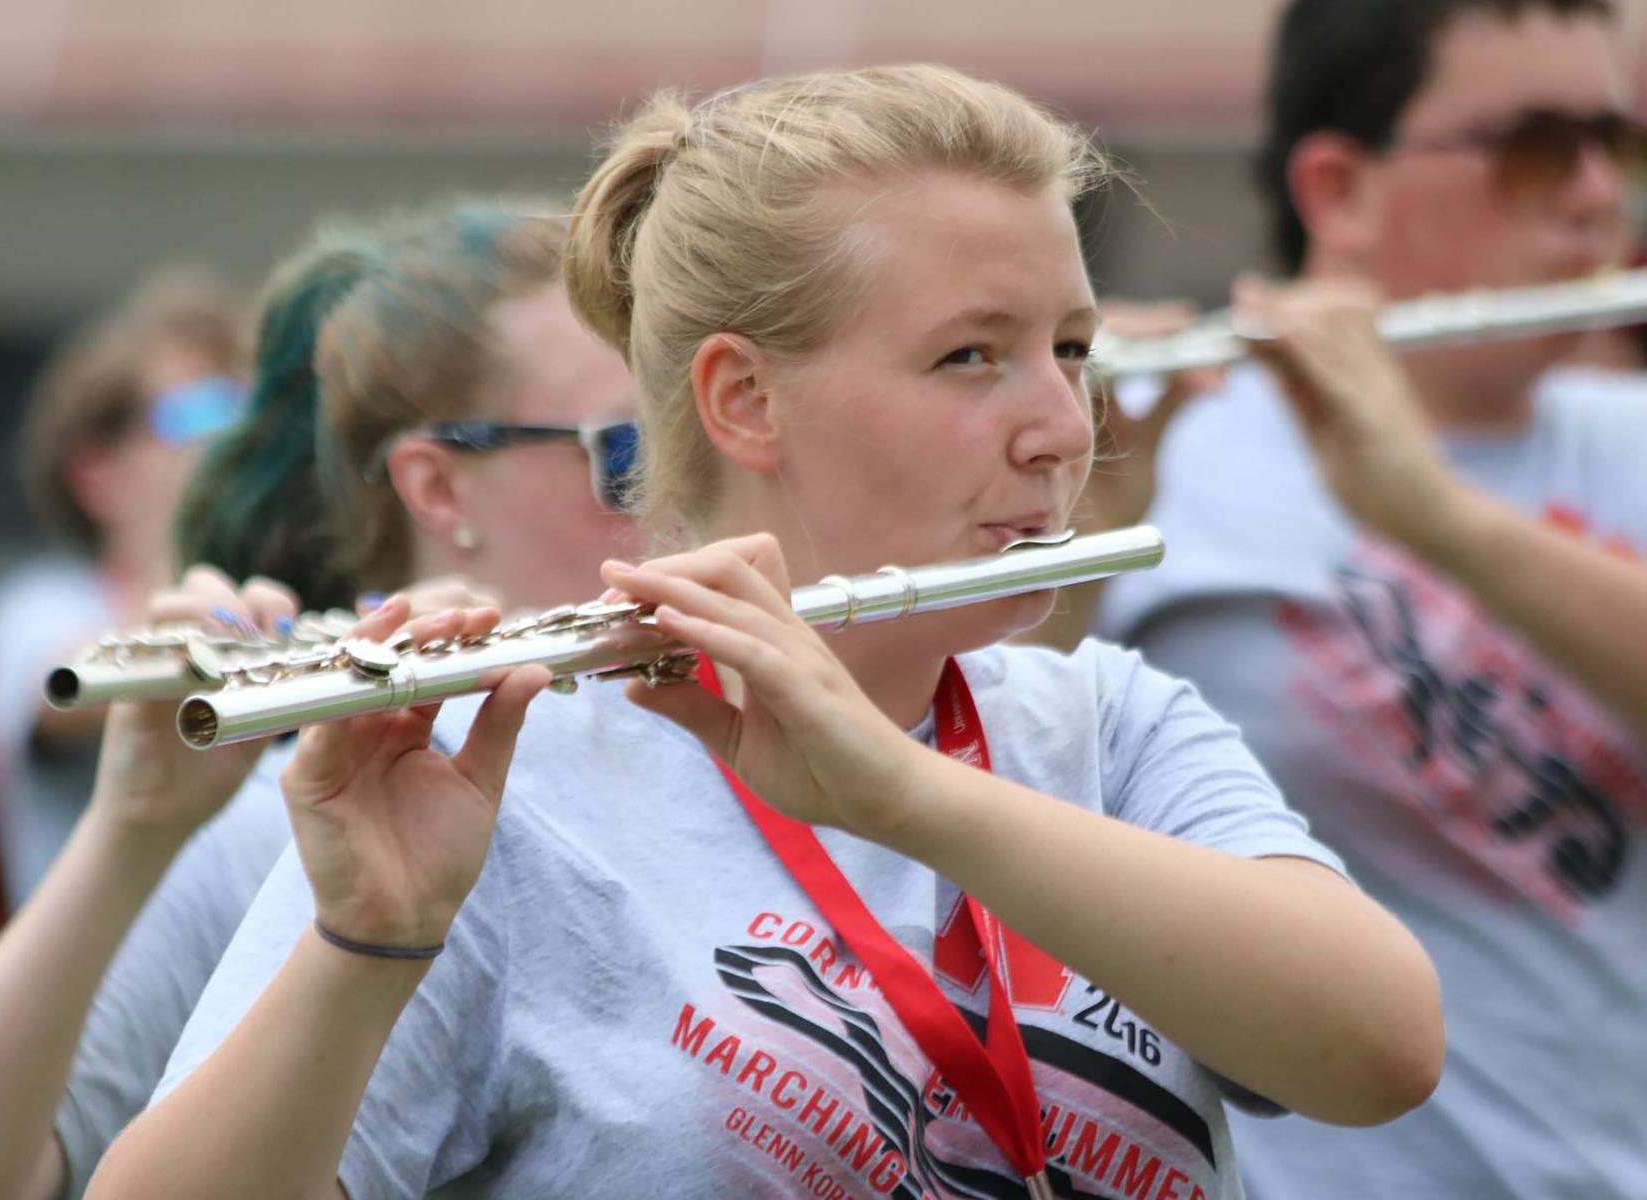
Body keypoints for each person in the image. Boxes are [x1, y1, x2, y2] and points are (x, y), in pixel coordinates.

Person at [90, 65, 1442, 1200]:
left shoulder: (1115, 727)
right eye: (972, 355)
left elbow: (1381, 1050)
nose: (1063, 429)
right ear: (743, 400)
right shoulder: (504, 777)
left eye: (1072, 350)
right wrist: (362, 949)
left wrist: (904, 794)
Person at [0, 202, 638, 1200]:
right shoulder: (265, 826)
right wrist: (135, 827)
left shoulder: (734, 751)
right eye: (623, 447)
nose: (667, 493)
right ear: (437, 488)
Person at [1076, 2, 1647, 1196]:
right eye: (1538, 146)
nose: (1599, 194)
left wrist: (1436, 516)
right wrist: (1075, 531)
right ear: (1339, 189)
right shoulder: (1162, 442)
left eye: (1621, 144)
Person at [0, 266, 245, 909]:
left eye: (245, 411)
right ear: (99, 474)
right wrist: (186, 605)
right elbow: (61, 693)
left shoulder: (277, 597)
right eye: (199, 415)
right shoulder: (38, 606)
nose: (231, 445)